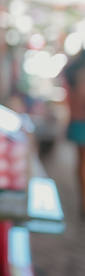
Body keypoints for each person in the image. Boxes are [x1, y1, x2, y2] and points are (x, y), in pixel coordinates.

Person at [63, 49, 85, 217]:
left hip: (77, 121)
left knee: (81, 163)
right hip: (80, 121)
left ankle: (83, 201)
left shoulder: (74, 69)